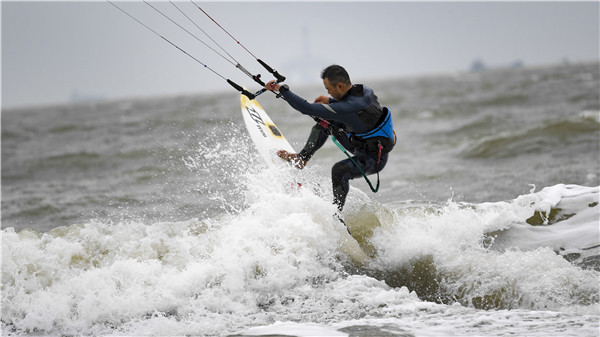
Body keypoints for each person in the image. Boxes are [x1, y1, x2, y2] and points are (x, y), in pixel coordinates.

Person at [265, 64, 395, 214]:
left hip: (373, 159)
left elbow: (306, 108)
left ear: (339, 85)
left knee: (339, 171)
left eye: (329, 89)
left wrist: (281, 89)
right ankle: (302, 158)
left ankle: (336, 212)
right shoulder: (365, 90)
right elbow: (354, 107)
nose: (328, 92)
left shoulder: (348, 108)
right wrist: (330, 101)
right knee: (325, 123)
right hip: (362, 143)